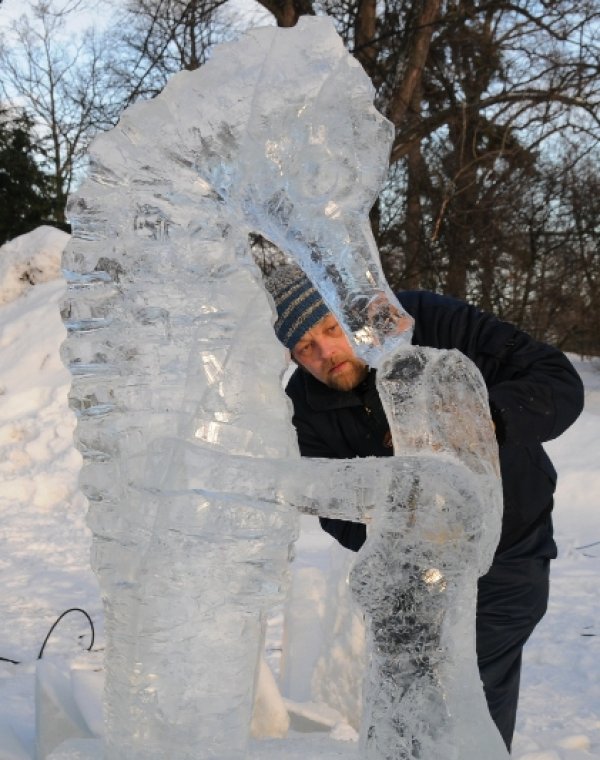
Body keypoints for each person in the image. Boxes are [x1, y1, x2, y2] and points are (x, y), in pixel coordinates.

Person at [264, 262, 584, 751]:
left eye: (331, 329)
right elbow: (334, 510)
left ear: (349, 313)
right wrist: (403, 527)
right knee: (406, 700)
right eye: (305, 347)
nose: (327, 353)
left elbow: (559, 382)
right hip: (410, 572)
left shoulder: (430, 322)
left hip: (507, 548)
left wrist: (477, 419)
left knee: (468, 691)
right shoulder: (303, 407)